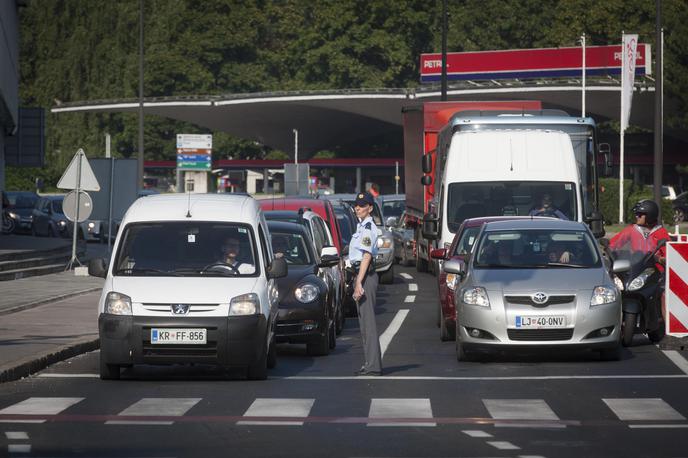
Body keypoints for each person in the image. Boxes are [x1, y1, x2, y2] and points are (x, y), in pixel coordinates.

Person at [609, 199, 670, 319]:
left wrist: (661, 259)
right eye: (637, 214)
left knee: (664, 295)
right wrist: (608, 252)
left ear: (650, 215)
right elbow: (613, 244)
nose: (637, 216)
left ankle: (665, 324)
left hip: (654, 272)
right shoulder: (632, 229)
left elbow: (668, 254)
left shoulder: (661, 233)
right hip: (635, 269)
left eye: (640, 214)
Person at [350, 191, 382, 376]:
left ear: (370, 208)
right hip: (361, 275)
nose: (358, 208)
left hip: (366, 277)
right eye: (356, 205)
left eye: (362, 206)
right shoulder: (361, 226)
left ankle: (373, 366)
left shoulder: (368, 227)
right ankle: (370, 362)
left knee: (368, 323)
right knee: (363, 324)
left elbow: (367, 256)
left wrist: (358, 283)